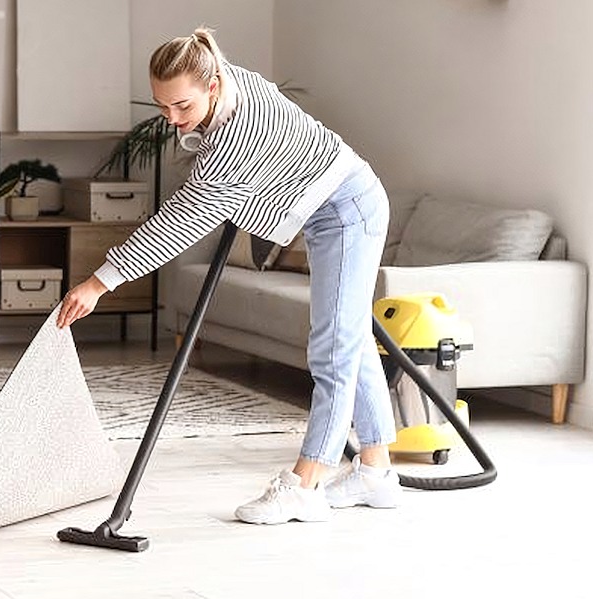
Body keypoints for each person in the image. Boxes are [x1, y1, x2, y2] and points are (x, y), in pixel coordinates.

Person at [56, 28, 402, 524]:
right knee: (351, 339)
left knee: (334, 347)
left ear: (213, 86)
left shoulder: (236, 140)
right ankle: (376, 472)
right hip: (331, 206)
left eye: (181, 106)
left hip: (348, 210)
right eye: (162, 106)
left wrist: (98, 283)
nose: (172, 119)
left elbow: (174, 225)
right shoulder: (228, 75)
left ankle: (307, 483)